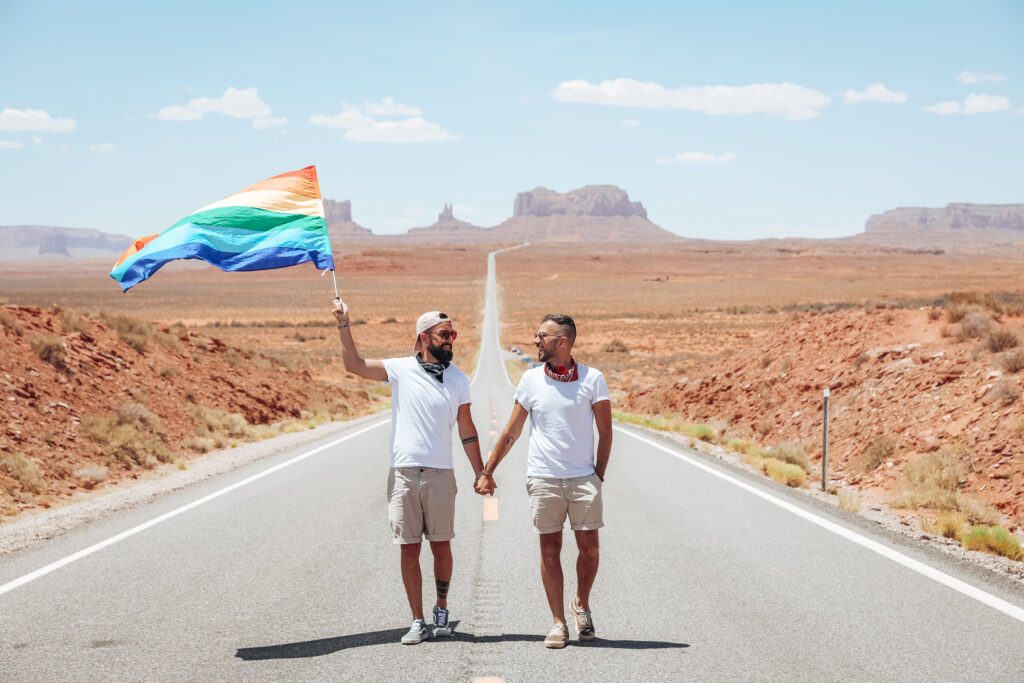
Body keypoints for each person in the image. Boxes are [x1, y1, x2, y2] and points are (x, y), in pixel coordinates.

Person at [332, 299, 485, 645]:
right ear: (423, 337)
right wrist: (345, 324)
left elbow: (467, 428)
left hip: (440, 474)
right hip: (403, 474)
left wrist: (481, 472)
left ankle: (441, 607)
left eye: (453, 334)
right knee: (409, 548)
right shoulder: (400, 369)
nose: (450, 340)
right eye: (443, 334)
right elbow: (354, 365)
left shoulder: (459, 379)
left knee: (442, 546)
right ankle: (417, 620)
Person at [475, 314, 612, 648]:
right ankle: (558, 623)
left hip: (583, 480)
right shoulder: (531, 380)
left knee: (590, 550)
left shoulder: (593, 379)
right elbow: (512, 432)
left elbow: (606, 433)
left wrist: (598, 476)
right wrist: (487, 470)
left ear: (561, 342)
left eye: (542, 336)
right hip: (544, 479)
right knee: (550, 549)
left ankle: (580, 602)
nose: (536, 341)